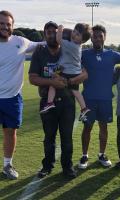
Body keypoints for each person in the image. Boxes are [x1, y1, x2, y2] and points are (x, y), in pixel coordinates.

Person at [29, 21, 87, 178]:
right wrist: (52, 82)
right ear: (44, 35)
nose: (52, 35)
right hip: (47, 101)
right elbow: (32, 78)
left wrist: (70, 82)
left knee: (67, 137)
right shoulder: (40, 52)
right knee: (49, 137)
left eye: (54, 32)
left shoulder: (68, 48)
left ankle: (67, 167)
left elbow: (84, 74)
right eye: (48, 32)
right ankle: (47, 166)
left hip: (67, 102)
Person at [0, 10, 44, 180]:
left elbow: (42, 45)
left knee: (10, 132)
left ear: (12, 26)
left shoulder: (21, 41)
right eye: (1, 23)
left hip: (12, 99)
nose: (5, 27)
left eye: (8, 24)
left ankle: (7, 165)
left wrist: (64, 38)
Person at [78, 25, 120, 169]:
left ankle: (101, 154)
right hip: (88, 99)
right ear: (91, 38)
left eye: (100, 36)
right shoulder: (83, 54)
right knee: (87, 128)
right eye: (95, 36)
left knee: (103, 127)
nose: (97, 38)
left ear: (105, 37)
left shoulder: (112, 55)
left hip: (105, 99)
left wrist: (119, 73)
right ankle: (84, 155)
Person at [40, 23, 91, 123]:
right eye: (74, 31)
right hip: (75, 72)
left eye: (77, 34)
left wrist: (60, 29)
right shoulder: (78, 46)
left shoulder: (71, 45)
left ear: (83, 41)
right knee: (75, 91)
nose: (74, 34)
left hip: (67, 71)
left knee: (53, 83)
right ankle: (84, 108)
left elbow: (58, 39)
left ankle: (50, 102)